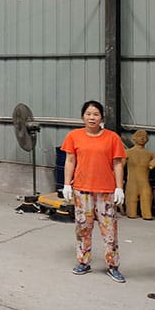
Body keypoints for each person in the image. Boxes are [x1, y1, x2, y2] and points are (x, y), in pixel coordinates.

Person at [61, 100, 126, 283]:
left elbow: (118, 163)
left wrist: (119, 187)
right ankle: (83, 262)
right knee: (83, 228)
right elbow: (70, 161)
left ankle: (112, 266)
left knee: (109, 230)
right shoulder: (74, 136)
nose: (92, 117)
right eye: (88, 114)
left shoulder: (112, 138)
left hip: (106, 191)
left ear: (102, 117)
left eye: (96, 114)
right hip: (82, 190)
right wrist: (66, 184)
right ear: (83, 116)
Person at [124, 129, 155, 219]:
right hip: (132, 183)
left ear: (147, 139)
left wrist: (153, 163)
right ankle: (131, 213)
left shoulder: (150, 154)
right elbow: (120, 165)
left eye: (144, 137)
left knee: (147, 199)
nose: (142, 138)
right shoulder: (127, 152)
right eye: (139, 136)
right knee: (131, 203)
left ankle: (147, 215)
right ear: (134, 138)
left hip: (144, 183)